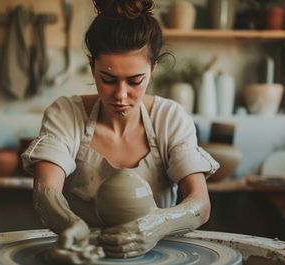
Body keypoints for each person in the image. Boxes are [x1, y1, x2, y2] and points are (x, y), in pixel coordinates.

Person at [22, 0, 219, 263]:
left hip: (154, 256)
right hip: (84, 256)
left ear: (153, 70)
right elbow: (46, 191)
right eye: (108, 79)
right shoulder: (66, 114)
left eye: (135, 81)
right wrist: (71, 225)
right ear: (93, 67)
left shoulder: (169, 117)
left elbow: (200, 204)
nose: (121, 95)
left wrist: (157, 224)